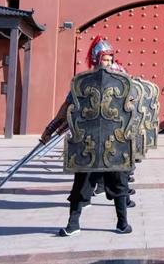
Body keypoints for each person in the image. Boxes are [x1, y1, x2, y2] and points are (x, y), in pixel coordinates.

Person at [53, 36, 134, 236]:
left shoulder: (121, 81)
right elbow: (69, 107)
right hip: (87, 141)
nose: (107, 63)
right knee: (81, 184)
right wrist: (52, 128)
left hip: (114, 140)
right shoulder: (82, 82)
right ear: (96, 59)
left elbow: (129, 108)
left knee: (119, 183)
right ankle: (73, 224)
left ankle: (122, 223)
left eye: (110, 59)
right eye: (104, 59)